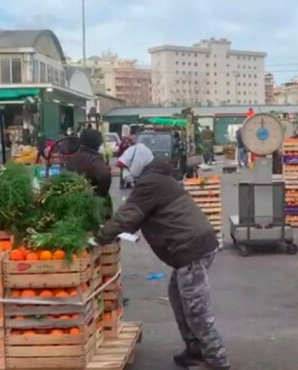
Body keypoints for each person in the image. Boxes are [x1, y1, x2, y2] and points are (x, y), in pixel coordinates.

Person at [93, 145, 230, 369]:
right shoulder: (155, 179)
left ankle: (217, 359)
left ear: (138, 163)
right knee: (177, 296)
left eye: (127, 166)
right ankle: (195, 349)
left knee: (196, 308)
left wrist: (100, 237)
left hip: (190, 249)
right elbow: (137, 217)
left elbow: (128, 216)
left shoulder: (150, 183)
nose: (126, 171)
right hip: (191, 247)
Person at [66, 128, 113, 215]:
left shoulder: (72, 159)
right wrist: (100, 193)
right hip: (94, 207)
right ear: (97, 144)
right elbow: (105, 176)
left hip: (74, 204)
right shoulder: (95, 161)